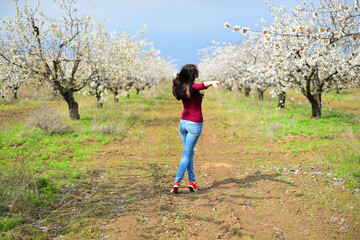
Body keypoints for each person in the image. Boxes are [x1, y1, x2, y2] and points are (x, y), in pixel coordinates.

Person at [171, 64, 221, 193]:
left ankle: (192, 181)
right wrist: (213, 82)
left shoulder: (180, 86)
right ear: (193, 74)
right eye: (196, 70)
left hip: (183, 123)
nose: (198, 71)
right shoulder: (193, 87)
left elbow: (177, 77)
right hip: (194, 124)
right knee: (187, 154)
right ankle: (177, 181)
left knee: (189, 153)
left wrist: (176, 77)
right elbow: (202, 85)